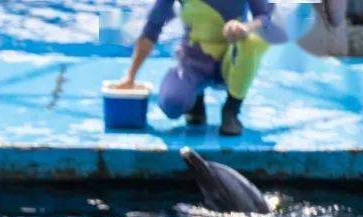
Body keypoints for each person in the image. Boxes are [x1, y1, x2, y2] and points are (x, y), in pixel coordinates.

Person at [113, 0, 286, 136]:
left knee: (255, 40)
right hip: (194, 62)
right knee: (172, 104)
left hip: (232, 58)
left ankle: (232, 109)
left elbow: (266, 17)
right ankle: (195, 100)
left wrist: (246, 28)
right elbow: (152, 28)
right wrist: (130, 76)